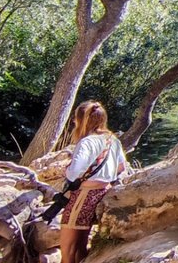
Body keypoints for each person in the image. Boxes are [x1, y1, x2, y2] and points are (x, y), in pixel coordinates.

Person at [59, 101, 127, 263]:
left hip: (83, 196)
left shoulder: (87, 142)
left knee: (67, 248)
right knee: (82, 243)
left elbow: (75, 172)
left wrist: (66, 171)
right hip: (102, 192)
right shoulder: (112, 140)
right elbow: (121, 167)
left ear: (82, 120)